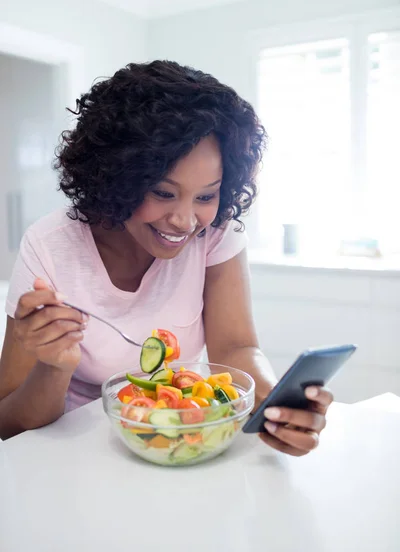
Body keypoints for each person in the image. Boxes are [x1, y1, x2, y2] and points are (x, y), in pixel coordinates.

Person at [0, 60, 332, 452]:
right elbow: (8, 421)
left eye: (206, 196)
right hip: (73, 450)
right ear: (116, 179)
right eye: (163, 192)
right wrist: (55, 366)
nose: (184, 221)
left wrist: (273, 406)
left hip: (175, 437)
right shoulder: (49, 245)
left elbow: (236, 348)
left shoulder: (216, 233)